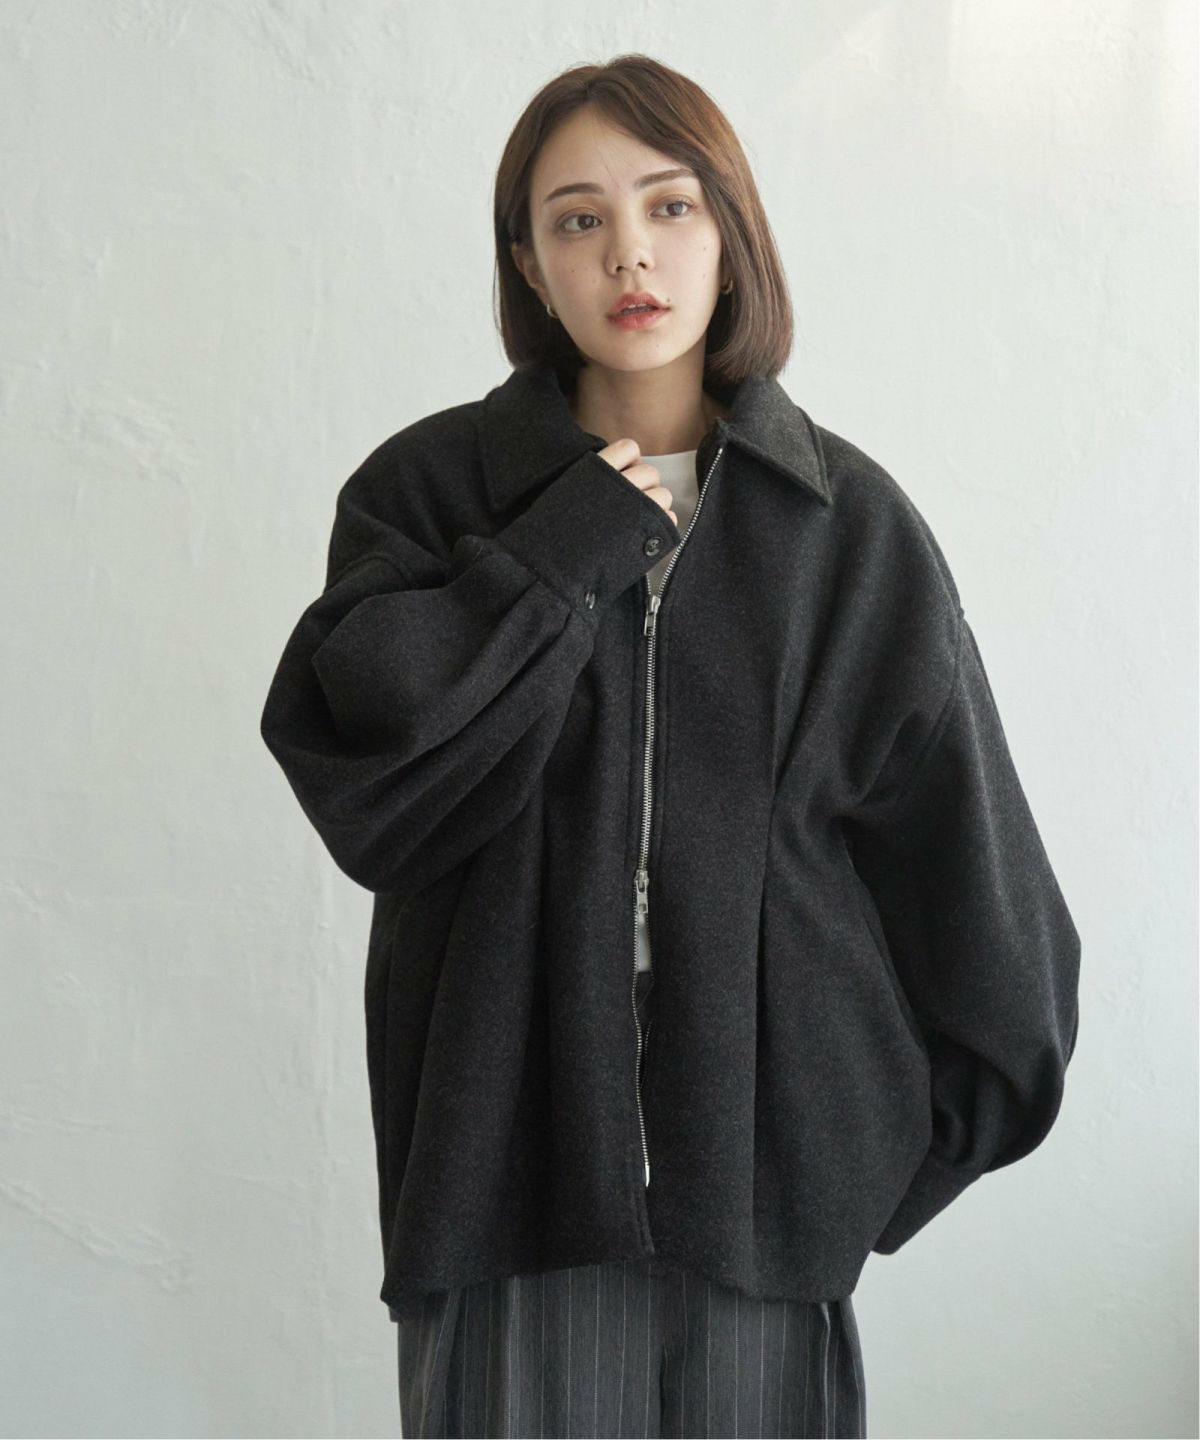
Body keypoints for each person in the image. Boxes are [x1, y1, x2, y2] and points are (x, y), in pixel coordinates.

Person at [259, 53, 1080, 1439]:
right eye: (577, 218)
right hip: (502, 1204)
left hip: (765, 1224)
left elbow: (985, 899)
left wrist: (866, 1170)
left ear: (730, 234)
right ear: (528, 264)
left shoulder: (846, 528)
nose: (628, 252)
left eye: (669, 205)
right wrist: (565, 548)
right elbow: (376, 790)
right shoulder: (427, 498)